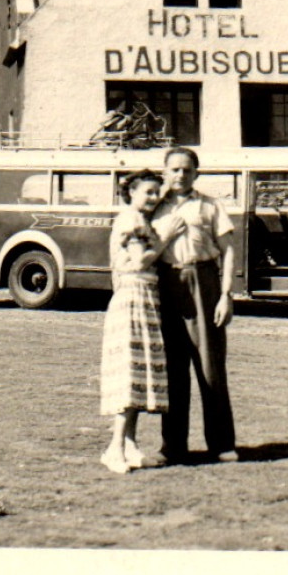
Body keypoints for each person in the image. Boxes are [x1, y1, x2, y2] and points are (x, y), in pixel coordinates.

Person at [151, 147, 238, 464]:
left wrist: (226, 294)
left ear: (196, 173)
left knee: (210, 368)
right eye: (174, 169)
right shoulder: (153, 206)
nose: (180, 175)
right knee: (173, 370)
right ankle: (172, 446)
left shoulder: (210, 206)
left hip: (204, 282)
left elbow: (228, 251)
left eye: (186, 169)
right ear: (164, 173)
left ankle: (222, 444)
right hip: (166, 284)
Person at [98, 170, 183, 474]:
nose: (153, 197)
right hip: (133, 297)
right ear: (131, 192)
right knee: (129, 374)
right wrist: (167, 238)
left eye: (156, 192)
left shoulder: (141, 220)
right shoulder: (131, 220)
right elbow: (139, 261)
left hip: (145, 297)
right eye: (148, 191)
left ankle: (130, 446)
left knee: (138, 374)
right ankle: (115, 448)